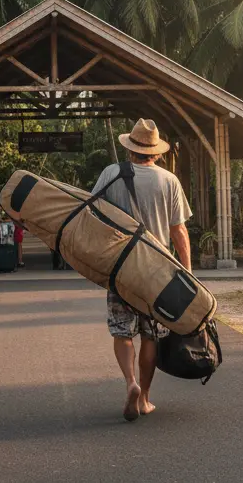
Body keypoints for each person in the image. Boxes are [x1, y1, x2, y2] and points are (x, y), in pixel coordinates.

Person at [91, 118, 192, 422]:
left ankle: (130, 383)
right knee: (151, 335)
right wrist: (187, 273)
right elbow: (179, 231)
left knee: (122, 331)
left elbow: (91, 215)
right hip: (158, 270)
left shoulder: (110, 174)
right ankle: (145, 398)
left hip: (121, 267)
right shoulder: (169, 180)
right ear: (156, 152)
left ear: (130, 149)